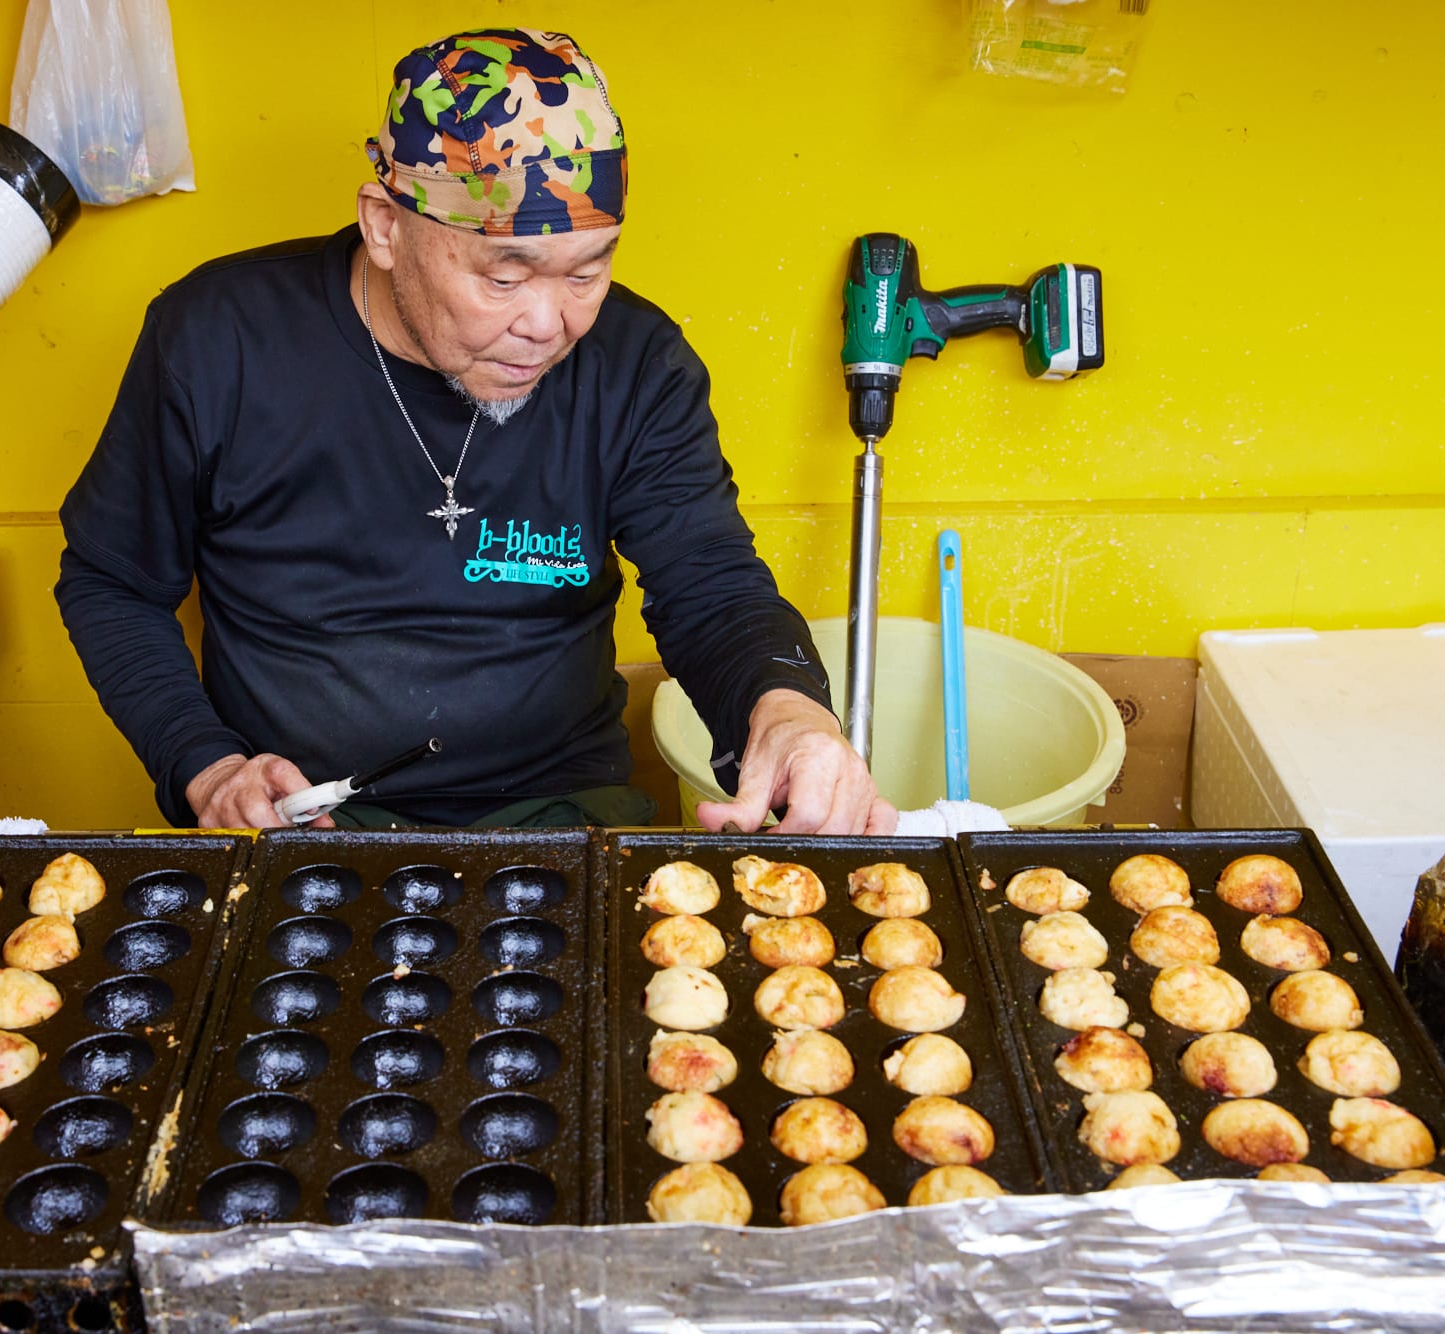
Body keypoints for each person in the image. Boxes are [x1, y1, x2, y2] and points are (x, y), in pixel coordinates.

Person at [57, 27, 895, 836]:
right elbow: (111, 582)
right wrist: (204, 764)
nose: (549, 324)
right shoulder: (219, 340)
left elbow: (709, 583)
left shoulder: (636, 363)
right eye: (504, 275)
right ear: (385, 227)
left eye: (588, 270)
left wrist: (787, 709)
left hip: (560, 815)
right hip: (300, 820)